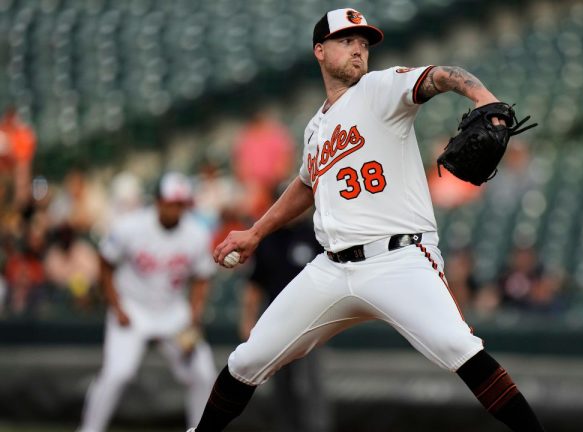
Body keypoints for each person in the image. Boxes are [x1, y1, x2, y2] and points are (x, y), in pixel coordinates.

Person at [191, 8, 545, 432]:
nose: (359, 48)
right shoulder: (315, 128)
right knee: (246, 360)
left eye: (363, 42)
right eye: (347, 40)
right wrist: (255, 232)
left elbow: (441, 74)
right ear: (320, 51)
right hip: (332, 268)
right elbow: (305, 184)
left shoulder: (381, 87)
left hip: (399, 259)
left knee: (458, 346)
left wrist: (481, 97)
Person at [78, 172, 217, 432]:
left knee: (203, 373)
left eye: (180, 204)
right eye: (170, 202)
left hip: (174, 313)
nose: (174, 209)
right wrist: (117, 306)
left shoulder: (196, 233)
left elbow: (202, 278)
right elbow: (105, 264)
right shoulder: (130, 227)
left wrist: (194, 317)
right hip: (133, 308)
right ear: (158, 201)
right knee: (118, 374)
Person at [240, 205, 331, 432]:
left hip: (310, 320)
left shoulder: (314, 234)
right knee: (281, 383)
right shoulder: (268, 240)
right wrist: (247, 320)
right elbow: (255, 283)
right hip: (276, 321)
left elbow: (332, 280)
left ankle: (317, 428)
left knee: (310, 382)